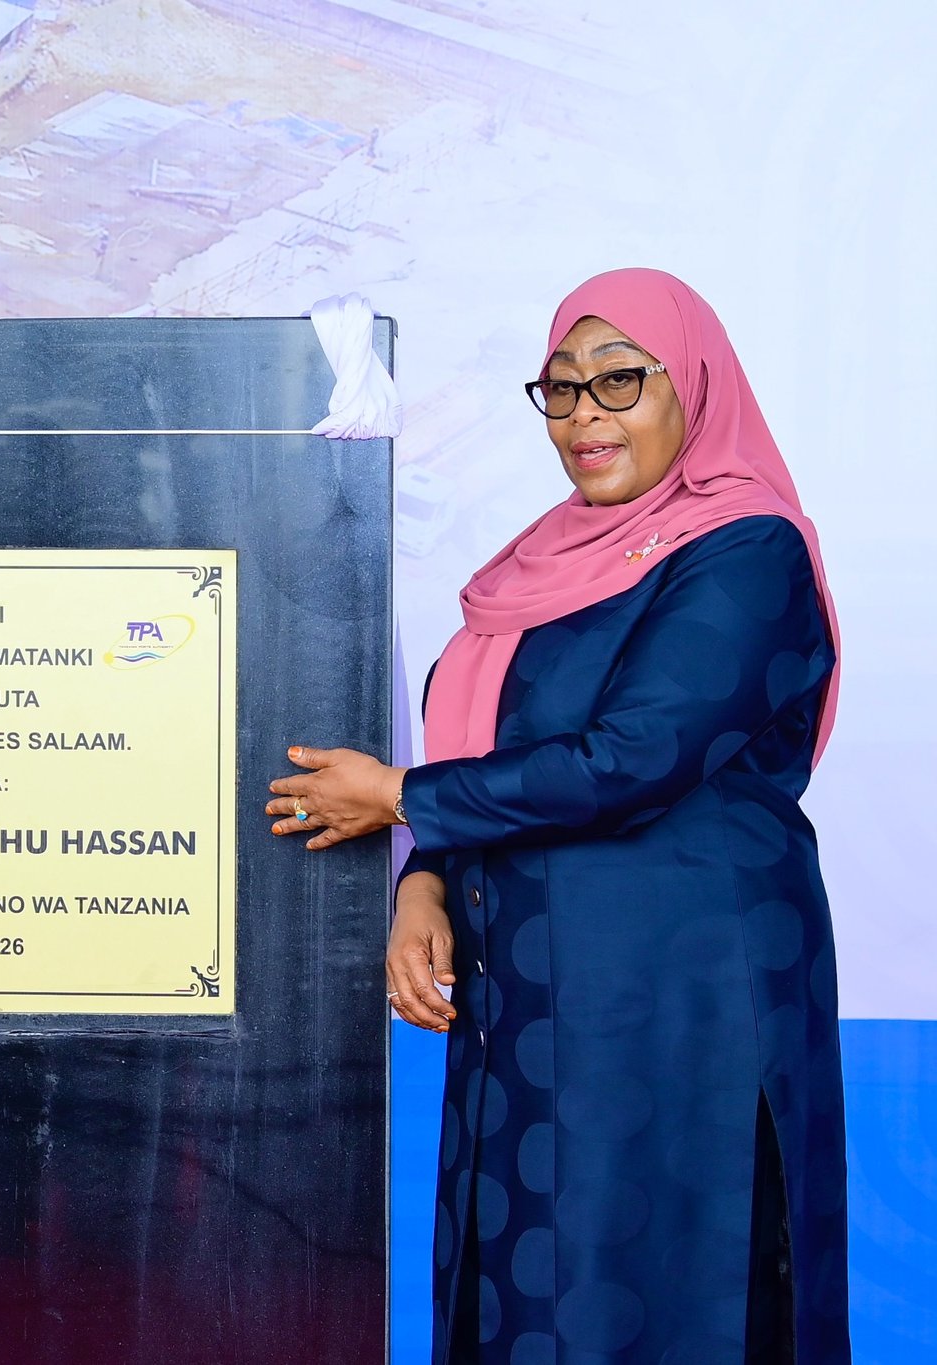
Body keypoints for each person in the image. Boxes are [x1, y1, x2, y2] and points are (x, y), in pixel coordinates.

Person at [265, 270, 847, 1363]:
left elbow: (637, 754)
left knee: (669, 1292)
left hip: (683, 1008)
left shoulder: (743, 548)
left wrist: (394, 798)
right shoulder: (538, 567)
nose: (584, 414)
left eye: (619, 381)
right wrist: (423, 879)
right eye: (561, 389)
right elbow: (478, 748)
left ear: (694, 389)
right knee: (528, 1294)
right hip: (528, 1003)